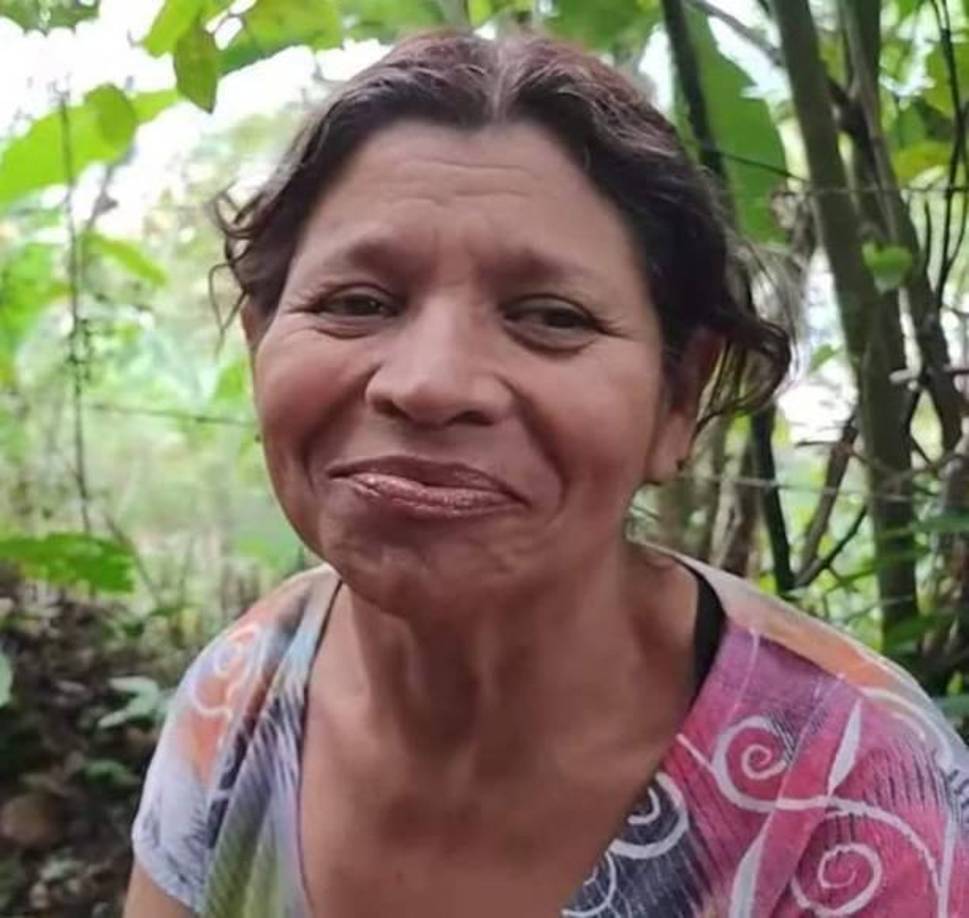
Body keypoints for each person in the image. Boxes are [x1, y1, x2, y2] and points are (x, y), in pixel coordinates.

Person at [123, 29, 969, 918]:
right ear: (260, 342)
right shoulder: (242, 695)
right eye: (356, 303)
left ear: (677, 399)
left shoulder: (857, 798)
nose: (429, 384)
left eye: (552, 317)